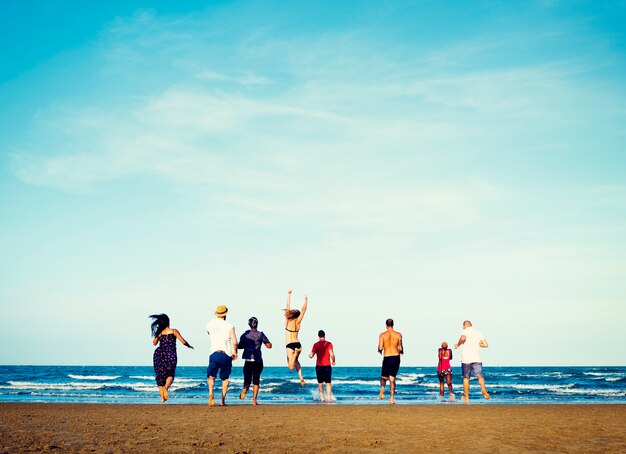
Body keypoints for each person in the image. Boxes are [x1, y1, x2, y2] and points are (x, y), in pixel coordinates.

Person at [149, 313, 193, 403]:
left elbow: (154, 343)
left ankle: (162, 397)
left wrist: (157, 334)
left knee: (160, 375)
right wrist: (189, 346)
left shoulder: (160, 332)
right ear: (168, 322)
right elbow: (183, 341)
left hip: (159, 354)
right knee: (170, 374)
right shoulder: (174, 331)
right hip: (171, 354)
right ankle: (165, 388)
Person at [206, 305, 238, 406]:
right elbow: (235, 341)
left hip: (214, 353)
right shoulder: (229, 325)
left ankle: (211, 394)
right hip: (226, 354)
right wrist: (235, 352)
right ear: (225, 314)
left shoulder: (209, 324)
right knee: (225, 378)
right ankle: (222, 400)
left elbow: (208, 333)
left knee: (211, 376)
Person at [238, 316, 272, 405]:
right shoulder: (260, 334)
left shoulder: (245, 335)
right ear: (257, 324)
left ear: (249, 325)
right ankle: (254, 401)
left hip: (248, 359)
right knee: (256, 380)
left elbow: (239, 346)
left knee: (247, 379)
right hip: (257, 359)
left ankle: (245, 389)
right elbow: (269, 345)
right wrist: (266, 343)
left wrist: (246, 345)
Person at [454, 320, 490, 402]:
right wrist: (477, 344)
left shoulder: (465, 331)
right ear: (472, 325)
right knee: (479, 376)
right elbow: (486, 344)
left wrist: (458, 344)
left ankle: (466, 397)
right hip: (476, 358)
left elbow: (463, 338)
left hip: (466, 359)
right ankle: (483, 389)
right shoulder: (478, 332)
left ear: (464, 326)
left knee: (466, 378)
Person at [284, 289, 308, 386]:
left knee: (290, 366)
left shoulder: (287, 321)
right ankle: (301, 378)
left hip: (290, 345)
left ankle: (295, 353)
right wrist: (306, 301)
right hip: (298, 344)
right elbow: (303, 310)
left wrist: (289, 295)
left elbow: (287, 307)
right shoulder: (298, 322)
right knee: (296, 361)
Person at [378, 318, 403, 405]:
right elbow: (400, 348)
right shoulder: (398, 335)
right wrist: (401, 352)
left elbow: (380, 348)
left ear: (386, 325)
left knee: (384, 377)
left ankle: (382, 388)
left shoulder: (382, 335)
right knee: (392, 378)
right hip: (396, 357)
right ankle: (392, 399)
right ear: (393, 324)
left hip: (387, 357)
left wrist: (379, 350)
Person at [309, 330, 336, 402]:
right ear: (324, 336)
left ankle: (322, 398)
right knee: (328, 383)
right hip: (327, 366)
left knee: (320, 383)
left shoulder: (316, 345)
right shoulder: (329, 344)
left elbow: (311, 355)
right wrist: (333, 361)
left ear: (318, 336)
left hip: (319, 366)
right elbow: (332, 354)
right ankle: (329, 398)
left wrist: (309, 355)